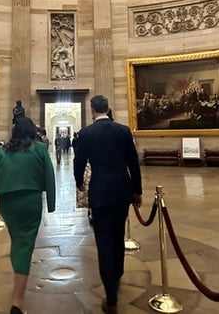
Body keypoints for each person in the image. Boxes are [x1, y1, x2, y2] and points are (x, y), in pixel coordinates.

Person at [0, 117, 56, 314]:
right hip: (30, 202)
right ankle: (17, 301)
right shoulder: (39, 148)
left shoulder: (4, 150)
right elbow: (49, 173)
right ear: (32, 131)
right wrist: (52, 202)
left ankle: (18, 281)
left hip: (9, 204)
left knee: (17, 241)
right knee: (25, 244)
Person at [73, 96, 142, 314]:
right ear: (108, 109)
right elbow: (134, 162)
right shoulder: (123, 131)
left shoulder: (86, 134)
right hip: (122, 190)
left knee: (103, 241)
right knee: (118, 234)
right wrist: (137, 190)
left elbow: (79, 162)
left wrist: (79, 183)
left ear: (92, 110)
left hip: (100, 192)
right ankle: (118, 273)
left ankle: (111, 294)